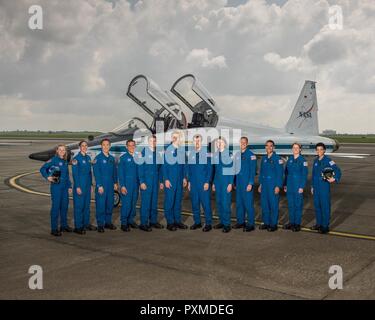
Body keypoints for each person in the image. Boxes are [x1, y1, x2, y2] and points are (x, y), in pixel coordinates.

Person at [40, 144, 73, 236]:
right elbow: (42, 169)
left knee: (64, 207)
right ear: (57, 151)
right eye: (60, 150)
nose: (62, 151)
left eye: (64, 150)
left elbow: (66, 176)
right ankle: (54, 229)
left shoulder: (65, 161)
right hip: (56, 187)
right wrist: (47, 177)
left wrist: (69, 186)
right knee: (56, 208)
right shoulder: (54, 160)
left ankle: (64, 226)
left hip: (65, 187)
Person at [311, 142, 342, 234]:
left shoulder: (328, 161)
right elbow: (313, 175)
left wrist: (335, 178)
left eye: (321, 149)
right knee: (317, 207)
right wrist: (312, 186)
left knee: (325, 207)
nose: (319, 151)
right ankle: (319, 224)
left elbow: (338, 170)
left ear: (324, 150)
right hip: (316, 187)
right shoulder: (315, 161)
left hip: (324, 186)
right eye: (317, 149)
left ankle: (325, 226)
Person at [186, 134, 213, 232]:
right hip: (193, 183)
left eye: (199, 141)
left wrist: (207, 182)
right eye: (195, 141)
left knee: (206, 204)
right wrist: (189, 181)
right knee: (195, 203)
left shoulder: (206, 153)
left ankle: (208, 223)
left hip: (203, 183)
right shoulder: (191, 153)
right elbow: (188, 168)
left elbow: (210, 169)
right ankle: (197, 222)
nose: (197, 143)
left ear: (202, 142)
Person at [137, 135, 164, 232]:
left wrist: (161, 181)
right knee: (146, 202)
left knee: (154, 202)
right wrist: (142, 181)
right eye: (151, 141)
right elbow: (140, 168)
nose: (153, 143)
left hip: (155, 180)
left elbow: (160, 169)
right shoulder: (143, 153)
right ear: (148, 142)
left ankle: (153, 221)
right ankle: (143, 223)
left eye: (154, 141)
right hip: (146, 181)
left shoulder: (158, 154)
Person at [162, 131, 188, 231]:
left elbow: (184, 165)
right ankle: (170, 222)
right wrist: (166, 179)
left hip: (179, 179)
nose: (175, 139)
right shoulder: (168, 149)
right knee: (169, 201)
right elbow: (164, 166)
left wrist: (184, 177)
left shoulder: (181, 150)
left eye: (176, 137)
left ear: (180, 138)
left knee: (178, 201)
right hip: (171, 179)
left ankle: (177, 221)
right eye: (173, 137)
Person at [92, 138, 118, 233]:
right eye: (104, 145)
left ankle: (108, 222)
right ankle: (100, 224)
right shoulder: (97, 159)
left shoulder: (111, 158)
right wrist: (99, 185)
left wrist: (115, 182)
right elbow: (96, 173)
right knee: (101, 205)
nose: (106, 146)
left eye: (107, 145)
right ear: (101, 146)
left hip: (110, 185)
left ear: (110, 146)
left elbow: (115, 171)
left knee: (109, 205)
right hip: (102, 185)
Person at [258, 140, 284, 232]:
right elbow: (261, 173)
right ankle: (266, 223)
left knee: (273, 205)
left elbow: (280, 174)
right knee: (265, 205)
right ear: (265, 147)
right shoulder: (264, 158)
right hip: (264, 185)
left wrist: (278, 186)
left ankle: (273, 224)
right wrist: (260, 184)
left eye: (271, 146)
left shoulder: (278, 159)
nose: (269, 147)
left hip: (273, 185)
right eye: (267, 146)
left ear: (274, 147)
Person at [72, 140, 97, 235]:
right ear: (79, 147)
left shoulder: (87, 158)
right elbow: (75, 174)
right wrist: (77, 186)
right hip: (80, 185)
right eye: (83, 146)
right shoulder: (76, 159)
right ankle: (78, 227)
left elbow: (89, 172)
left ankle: (86, 224)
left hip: (87, 185)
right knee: (79, 207)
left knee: (86, 206)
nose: (84, 147)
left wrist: (91, 184)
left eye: (86, 145)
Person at [233, 137, 257, 232]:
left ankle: (251, 224)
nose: (242, 143)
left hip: (247, 183)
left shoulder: (251, 155)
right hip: (239, 183)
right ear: (239, 143)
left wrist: (250, 183)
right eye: (241, 142)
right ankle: (240, 222)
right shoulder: (237, 154)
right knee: (239, 204)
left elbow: (252, 171)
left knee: (248, 204)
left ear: (247, 144)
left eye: (244, 142)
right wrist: (234, 182)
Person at [283, 143, 308, 232]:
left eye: (297, 148)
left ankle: (297, 224)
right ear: (292, 149)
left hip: (298, 186)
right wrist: (285, 184)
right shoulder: (289, 160)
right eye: (294, 148)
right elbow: (286, 173)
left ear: (300, 149)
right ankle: (291, 222)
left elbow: (304, 175)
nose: (295, 149)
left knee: (298, 205)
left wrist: (302, 186)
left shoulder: (303, 160)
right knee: (290, 205)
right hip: (290, 185)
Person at [212, 137, 234, 233]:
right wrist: (213, 183)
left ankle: (227, 224)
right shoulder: (216, 154)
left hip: (226, 182)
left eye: (221, 142)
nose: (219, 144)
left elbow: (231, 170)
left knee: (225, 204)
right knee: (219, 202)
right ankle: (221, 221)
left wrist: (230, 183)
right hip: (218, 182)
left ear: (225, 144)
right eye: (217, 142)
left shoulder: (229, 154)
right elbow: (216, 171)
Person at [118, 139, 139, 232]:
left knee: (133, 203)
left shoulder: (138, 157)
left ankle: (130, 220)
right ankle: (123, 223)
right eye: (129, 145)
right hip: (127, 184)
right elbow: (120, 173)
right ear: (126, 147)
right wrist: (122, 185)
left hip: (135, 184)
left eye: (133, 145)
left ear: (135, 146)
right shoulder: (123, 158)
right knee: (126, 204)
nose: (131, 147)